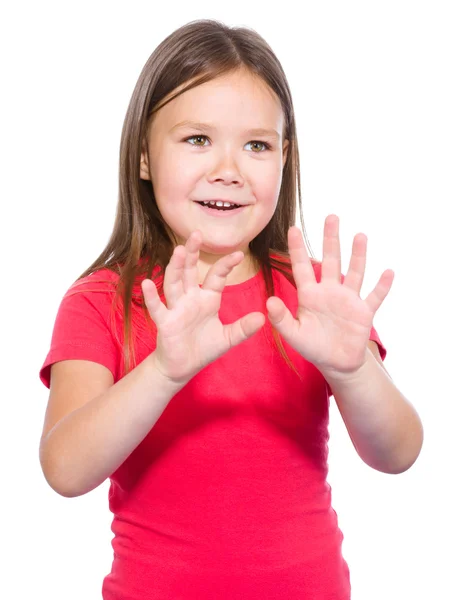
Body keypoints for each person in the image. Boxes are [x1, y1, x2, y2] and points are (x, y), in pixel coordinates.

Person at [38, 18, 424, 600]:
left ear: (284, 158)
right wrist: (163, 371)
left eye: (257, 145)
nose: (229, 169)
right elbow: (65, 470)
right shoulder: (100, 302)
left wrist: (353, 369)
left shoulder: (315, 299)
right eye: (197, 139)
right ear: (144, 156)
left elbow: (398, 453)